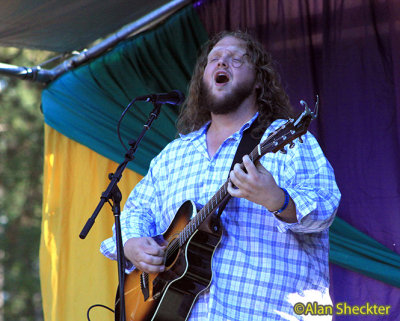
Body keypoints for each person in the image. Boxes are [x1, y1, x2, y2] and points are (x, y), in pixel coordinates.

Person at [101, 30, 341, 320]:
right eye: (214, 59)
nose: (221, 63)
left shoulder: (286, 139)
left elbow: (325, 208)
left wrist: (277, 199)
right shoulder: (174, 155)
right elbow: (135, 211)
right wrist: (132, 243)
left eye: (236, 59)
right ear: (203, 79)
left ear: (258, 81)